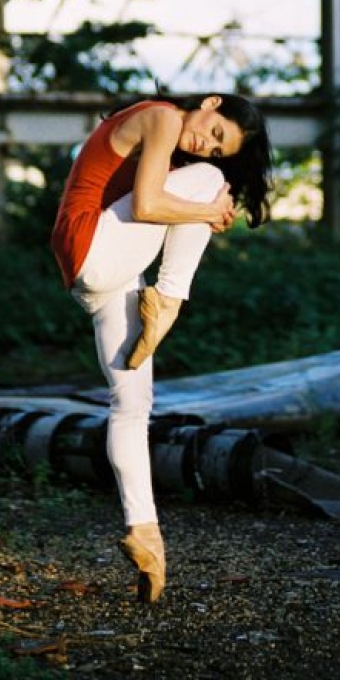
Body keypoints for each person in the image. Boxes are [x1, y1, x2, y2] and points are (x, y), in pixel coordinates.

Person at [50, 93, 273, 604]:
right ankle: (169, 301)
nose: (206, 145)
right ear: (210, 102)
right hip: (91, 242)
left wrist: (204, 214)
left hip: (109, 269)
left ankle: (144, 534)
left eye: (218, 149)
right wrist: (207, 206)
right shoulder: (163, 118)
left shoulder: (173, 141)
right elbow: (149, 205)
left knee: (131, 406)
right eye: (215, 132)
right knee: (211, 186)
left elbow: (153, 208)